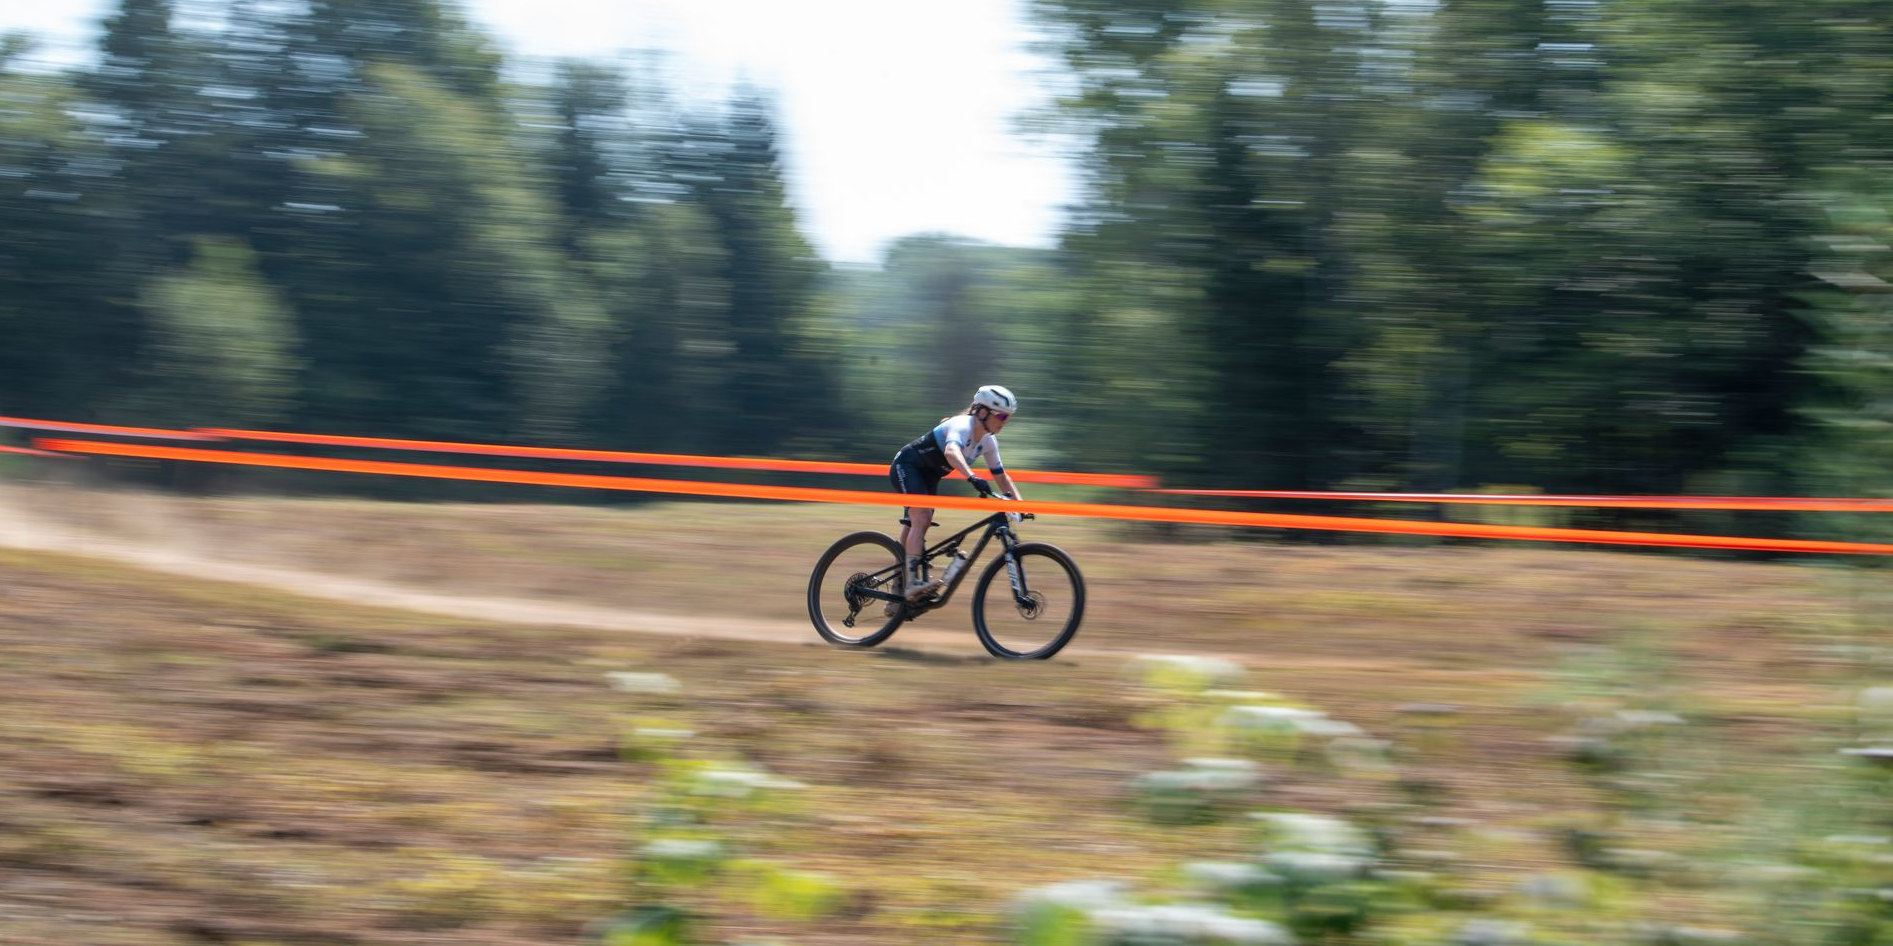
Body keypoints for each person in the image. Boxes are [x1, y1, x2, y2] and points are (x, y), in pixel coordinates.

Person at [887, 384, 1021, 602]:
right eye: (1002, 416)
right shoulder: (961, 425)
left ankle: (897, 591)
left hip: (928, 476)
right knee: (920, 517)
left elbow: (1002, 476)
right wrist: (971, 476)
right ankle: (911, 583)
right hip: (907, 466)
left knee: (917, 522)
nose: (1005, 421)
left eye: (1008, 417)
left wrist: (1020, 504)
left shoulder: (988, 441)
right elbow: (951, 452)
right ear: (983, 412)